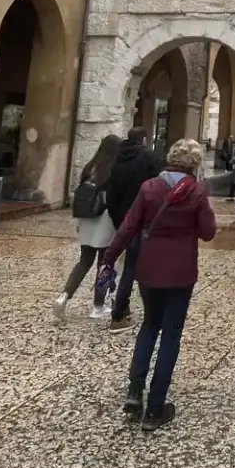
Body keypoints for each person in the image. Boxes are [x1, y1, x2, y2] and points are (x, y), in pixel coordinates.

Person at [101, 138, 217, 430]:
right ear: (194, 163)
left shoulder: (150, 187)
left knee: (149, 325)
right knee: (171, 334)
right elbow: (208, 233)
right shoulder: (196, 191)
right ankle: (155, 407)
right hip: (180, 272)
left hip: (149, 269)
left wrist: (109, 258)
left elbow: (129, 225)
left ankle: (135, 390)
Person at [53, 134, 121, 321]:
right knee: (105, 264)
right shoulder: (114, 169)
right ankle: (98, 306)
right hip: (106, 219)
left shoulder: (89, 167)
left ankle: (64, 296)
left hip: (87, 219)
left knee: (84, 261)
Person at [104, 127, 164, 331]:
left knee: (128, 264)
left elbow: (110, 193)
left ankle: (124, 307)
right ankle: (119, 313)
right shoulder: (150, 159)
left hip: (122, 219)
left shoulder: (117, 159)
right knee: (134, 266)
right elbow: (159, 188)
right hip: (141, 220)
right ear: (144, 139)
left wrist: (117, 219)